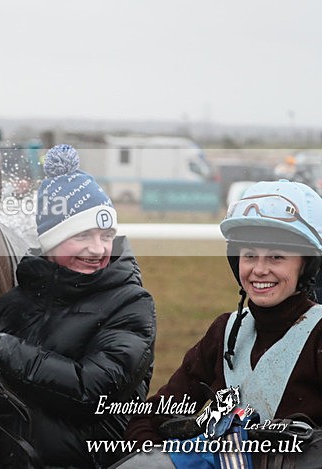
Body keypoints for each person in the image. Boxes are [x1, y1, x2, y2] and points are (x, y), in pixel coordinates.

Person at [0, 144, 157, 468]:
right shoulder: (10, 307)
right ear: (51, 241)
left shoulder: (132, 305)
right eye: (82, 235)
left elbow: (91, 391)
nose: (98, 249)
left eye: (106, 235)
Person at [120, 179, 322, 468]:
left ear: (306, 264)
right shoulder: (224, 333)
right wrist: (158, 458)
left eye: (277, 256)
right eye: (249, 255)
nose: (259, 269)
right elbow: (150, 416)